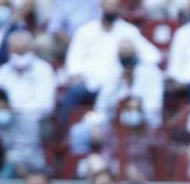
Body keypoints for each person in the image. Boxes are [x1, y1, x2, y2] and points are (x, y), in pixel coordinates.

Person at [57, 0, 161, 134]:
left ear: (120, 9)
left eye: (114, 6)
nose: (110, 9)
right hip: (91, 82)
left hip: (117, 80)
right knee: (74, 92)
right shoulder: (86, 30)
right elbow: (74, 59)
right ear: (101, 7)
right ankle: (63, 135)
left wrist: (133, 60)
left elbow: (153, 55)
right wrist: (77, 74)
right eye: (108, 5)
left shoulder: (129, 31)